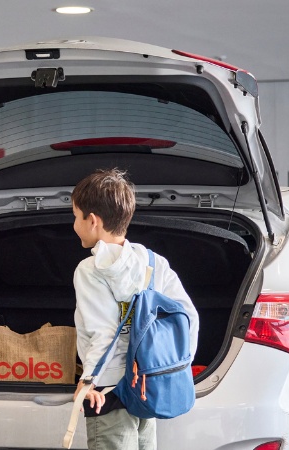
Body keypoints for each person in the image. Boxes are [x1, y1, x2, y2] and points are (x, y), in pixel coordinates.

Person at [70, 168, 199, 450]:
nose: (74, 225)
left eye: (76, 217)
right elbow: (188, 317)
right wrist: (173, 367)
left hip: (107, 393)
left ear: (92, 221)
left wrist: (88, 380)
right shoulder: (154, 262)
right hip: (145, 388)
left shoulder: (89, 271)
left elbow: (103, 332)